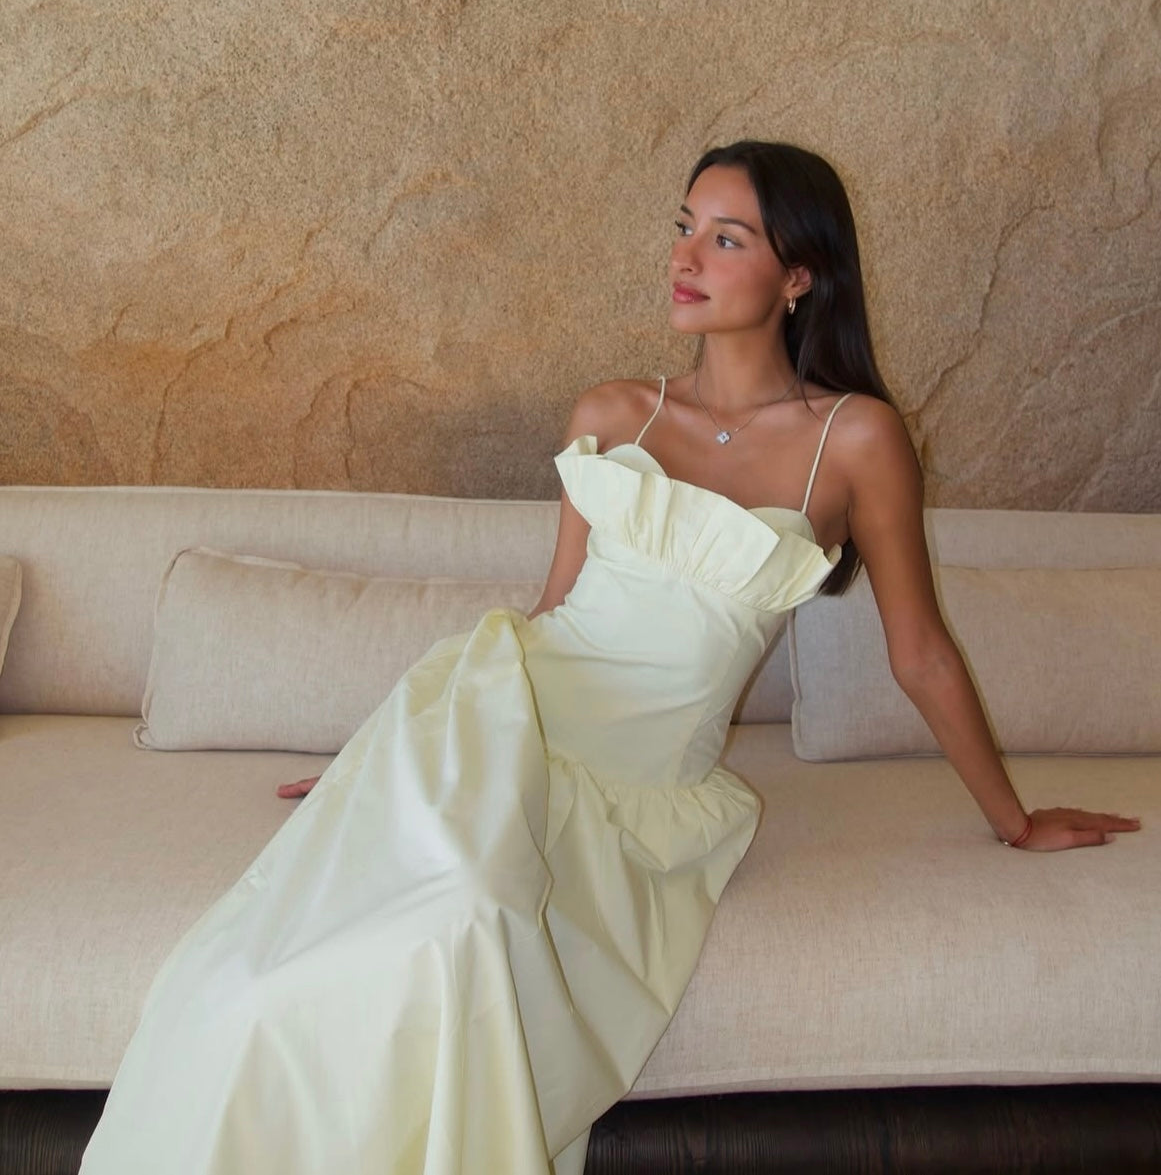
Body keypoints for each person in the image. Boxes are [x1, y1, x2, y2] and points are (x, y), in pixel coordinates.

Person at [80, 140, 1140, 1175]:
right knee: (253, 987)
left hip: (640, 775)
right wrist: (386, 768)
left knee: (469, 916)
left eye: (726, 238)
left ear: (799, 276)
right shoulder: (612, 410)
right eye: (684, 226)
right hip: (509, 712)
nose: (685, 256)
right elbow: (551, 612)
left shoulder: (855, 439)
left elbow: (921, 654)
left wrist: (1012, 819)